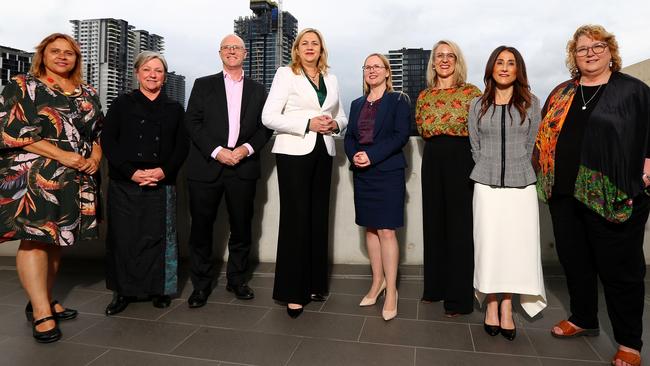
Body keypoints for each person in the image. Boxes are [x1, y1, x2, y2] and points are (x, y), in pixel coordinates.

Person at [533, 25, 650, 366]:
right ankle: (584, 318)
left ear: (611, 51)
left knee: (620, 270)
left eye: (597, 46)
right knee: (575, 261)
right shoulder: (562, 92)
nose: (590, 53)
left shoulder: (633, 91)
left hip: (613, 194)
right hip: (564, 194)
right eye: (582, 49)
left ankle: (629, 342)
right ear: (574, 56)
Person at [0, 33, 102, 342]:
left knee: (56, 239)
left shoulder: (87, 91)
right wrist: (63, 155)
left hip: (73, 177)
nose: (62, 56)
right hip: (32, 175)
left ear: (77, 59)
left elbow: (98, 131)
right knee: (34, 238)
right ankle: (42, 311)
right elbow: (10, 130)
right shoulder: (22, 85)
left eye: (69, 53)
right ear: (42, 54)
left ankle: (40, 299)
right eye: (55, 51)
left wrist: (95, 158)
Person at [262, 28, 348, 318]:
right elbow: (269, 116)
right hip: (294, 153)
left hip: (324, 153)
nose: (310, 47)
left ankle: (314, 284)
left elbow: (342, 116)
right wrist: (307, 124)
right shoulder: (286, 74)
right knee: (295, 220)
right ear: (296, 50)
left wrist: (334, 126)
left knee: (317, 219)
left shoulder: (332, 79)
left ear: (322, 50)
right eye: (304, 43)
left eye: (315, 43)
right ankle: (292, 292)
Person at [184, 34, 271, 308]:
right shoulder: (203, 85)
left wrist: (245, 149)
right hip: (207, 166)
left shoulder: (259, 90)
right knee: (200, 229)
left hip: (243, 167)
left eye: (237, 48)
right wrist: (217, 151)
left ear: (245, 54)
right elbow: (192, 122)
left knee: (242, 228)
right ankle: (200, 285)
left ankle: (237, 280)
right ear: (220, 53)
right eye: (227, 48)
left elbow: (265, 127)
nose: (232, 51)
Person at [468, 46, 546, 341]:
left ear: (518, 70)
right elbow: (474, 145)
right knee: (489, 245)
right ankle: (490, 303)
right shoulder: (477, 104)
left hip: (520, 186)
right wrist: (489, 168)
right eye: (499, 62)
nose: (504, 67)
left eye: (510, 63)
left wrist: (514, 169)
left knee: (514, 248)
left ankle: (507, 306)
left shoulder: (531, 103)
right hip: (486, 186)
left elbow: (531, 145)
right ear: (491, 68)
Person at [101, 51, 188, 315]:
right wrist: (131, 172)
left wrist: (163, 171)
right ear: (137, 73)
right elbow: (108, 141)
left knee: (160, 239)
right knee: (123, 239)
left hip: (162, 181)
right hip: (125, 182)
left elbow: (182, 146)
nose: (153, 75)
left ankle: (159, 289)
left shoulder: (174, 108)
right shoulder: (121, 103)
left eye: (158, 70)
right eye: (148, 69)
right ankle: (123, 291)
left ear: (164, 76)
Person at [415, 40, 481, 317]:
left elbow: (479, 130)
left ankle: (459, 297)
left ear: (457, 60)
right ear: (433, 62)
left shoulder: (472, 92)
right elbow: (421, 127)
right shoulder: (424, 96)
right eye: (439, 56)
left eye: (449, 55)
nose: (443, 60)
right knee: (434, 223)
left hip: (461, 159)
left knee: (460, 229)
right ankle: (435, 287)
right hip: (432, 159)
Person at [344, 53, 410, 321]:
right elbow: (349, 136)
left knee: (386, 231)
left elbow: (400, 135)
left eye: (377, 67)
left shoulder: (398, 100)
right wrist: (355, 155)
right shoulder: (357, 103)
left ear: (386, 72)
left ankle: (391, 291)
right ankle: (377, 283)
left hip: (387, 172)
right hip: (363, 174)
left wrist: (372, 155)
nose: (371, 71)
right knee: (370, 229)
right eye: (367, 67)